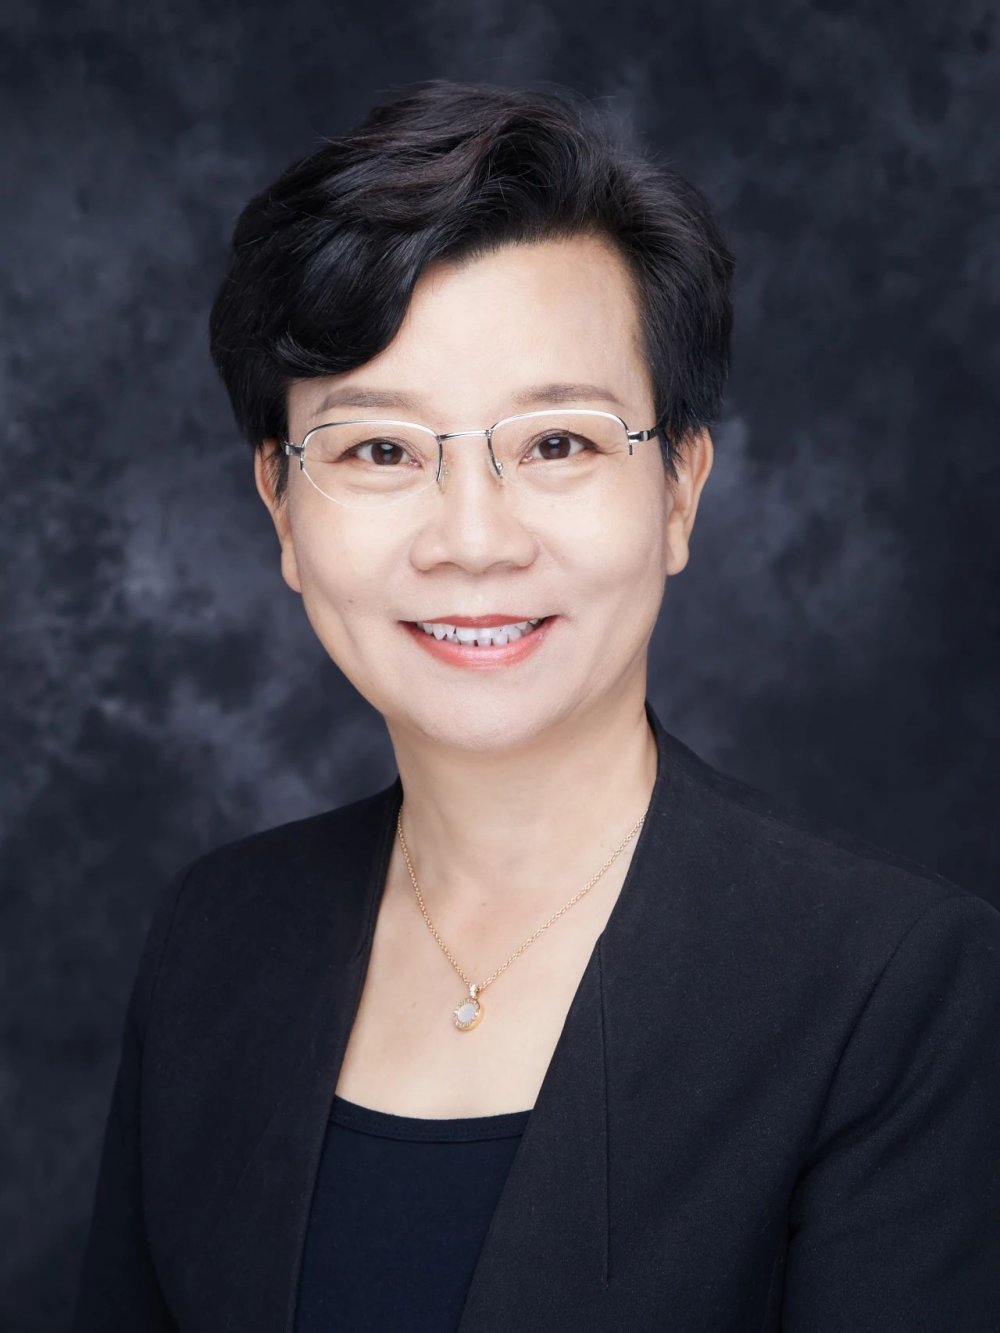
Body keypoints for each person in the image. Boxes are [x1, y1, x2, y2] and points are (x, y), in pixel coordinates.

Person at [73, 79, 1000, 1332]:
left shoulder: (896, 987)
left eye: (557, 443)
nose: (472, 540)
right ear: (280, 510)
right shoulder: (215, 940)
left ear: (678, 491)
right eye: (379, 450)